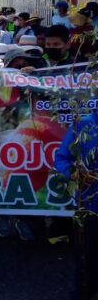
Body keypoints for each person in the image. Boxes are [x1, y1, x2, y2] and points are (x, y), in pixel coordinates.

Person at [55, 114, 98, 300]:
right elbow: (62, 159)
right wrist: (75, 174)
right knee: (87, 260)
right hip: (91, 206)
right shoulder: (82, 124)